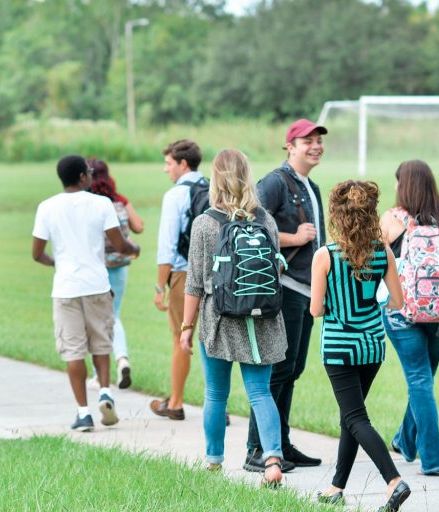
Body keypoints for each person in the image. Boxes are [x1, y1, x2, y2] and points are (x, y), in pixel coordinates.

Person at [179, 149, 287, 486]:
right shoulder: (265, 219)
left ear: (215, 179)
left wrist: (186, 327)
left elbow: (195, 283)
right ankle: (272, 461)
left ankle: (213, 463)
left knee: (215, 394)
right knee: (260, 392)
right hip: (263, 319)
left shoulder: (205, 223)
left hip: (220, 319)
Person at [310, 180, 410, 509]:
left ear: (337, 215)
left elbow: (316, 309)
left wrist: (337, 306)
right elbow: (396, 301)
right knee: (351, 417)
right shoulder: (383, 253)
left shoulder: (325, 256)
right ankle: (336, 487)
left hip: (339, 347)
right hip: (372, 346)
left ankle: (393, 480)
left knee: (355, 419)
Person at [32, 155, 139, 432]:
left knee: (73, 351)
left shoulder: (47, 207)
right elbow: (118, 244)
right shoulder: (101, 204)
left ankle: (83, 413)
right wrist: (134, 249)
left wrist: (58, 263)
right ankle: (105, 392)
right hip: (97, 285)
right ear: (81, 177)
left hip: (66, 287)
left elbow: (36, 253)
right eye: (88, 172)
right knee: (102, 343)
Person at [246, 119, 326, 472]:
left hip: (308, 290)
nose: (315, 146)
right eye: (307, 140)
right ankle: (257, 449)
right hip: (286, 288)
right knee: (278, 370)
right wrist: (294, 238)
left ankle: (281, 444)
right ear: (289, 146)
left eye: (319, 141)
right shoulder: (275, 183)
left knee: (293, 368)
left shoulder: (311, 186)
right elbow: (249, 227)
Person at [380, 160, 439, 477]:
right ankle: (405, 439)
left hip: (401, 311)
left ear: (402, 186)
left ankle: (432, 460)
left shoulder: (391, 220)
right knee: (424, 381)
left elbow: (373, 267)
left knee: (419, 381)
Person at [150, 140, 205, 420]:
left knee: (180, 339)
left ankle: (175, 403)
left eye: (169, 163)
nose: (166, 169)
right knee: (213, 342)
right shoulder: (213, 188)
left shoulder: (175, 196)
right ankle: (217, 405)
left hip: (185, 275)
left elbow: (167, 249)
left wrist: (160, 287)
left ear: (183, 164)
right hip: (217, 275)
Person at [87, 157, 144, 389]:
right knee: (115, 314)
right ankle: (122, 360)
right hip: (120, 265)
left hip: (96, 266)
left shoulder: (88, 202)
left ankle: (100, 373)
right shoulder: (119, 200)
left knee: (95, 319)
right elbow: (139, 226)